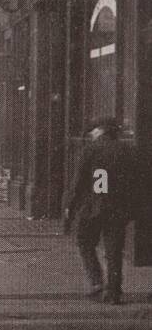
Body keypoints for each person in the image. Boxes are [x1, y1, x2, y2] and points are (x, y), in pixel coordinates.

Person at [65, 117, 136, 304]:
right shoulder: (127, 150)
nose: (91, 134)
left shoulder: (91, 149)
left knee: (84, 241)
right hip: (118, 207)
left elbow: (79, 182)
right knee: (114, 250)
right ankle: (114, 291)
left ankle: (96, 281)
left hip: (94, 206)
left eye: (93, 131)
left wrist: (70, 206)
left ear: (100, 131)